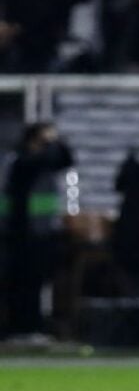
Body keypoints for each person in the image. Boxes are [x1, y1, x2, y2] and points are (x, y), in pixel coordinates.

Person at [3, 123, 74, 342]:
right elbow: (42, 161)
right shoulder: (21, 160)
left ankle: (32, 326)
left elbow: (66, 159)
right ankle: (20, 328)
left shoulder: (45, 160)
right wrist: (51, 142)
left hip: (41, 231)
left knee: (36, 281)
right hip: (20, 232)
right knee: (21, 282)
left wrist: (56, 141)